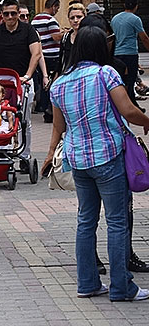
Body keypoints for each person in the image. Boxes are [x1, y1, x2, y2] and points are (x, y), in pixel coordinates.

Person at [43, 25, 149, 302]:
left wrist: (50, 152)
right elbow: (128, 110)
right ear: (102, 47)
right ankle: (121, 287)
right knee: (116, 222)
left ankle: (88, 283)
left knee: (85, 221)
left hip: (78, 160)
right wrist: (147, 121)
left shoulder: (60, 82)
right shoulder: (106, 73)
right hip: (108, 156)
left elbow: (58, 126)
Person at [0, 0, 42, 168]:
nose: (10, 17)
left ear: (18, 13)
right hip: (2, 83)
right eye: (6, 14)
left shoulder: (28, 30)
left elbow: (36, 53)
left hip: (23, 80)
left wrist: (28, 75)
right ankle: (4, 152)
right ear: (2, 15)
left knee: (24, 120)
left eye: (13, 13)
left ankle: (25, 155)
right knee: (1, 116)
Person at [111, 0, 149, 112]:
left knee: (120, 81)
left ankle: (122, 105)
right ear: (136, 6)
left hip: (117, 54)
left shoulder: (115, 19)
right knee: (130, 80)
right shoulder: (135, 19)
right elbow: (144, 38)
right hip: (130, 54)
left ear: (124, 5)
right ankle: (132, 106)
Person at [31, 0, 65, 123]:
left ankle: (41, 105)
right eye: (57, 8)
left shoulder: (35, 19)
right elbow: (56, 37)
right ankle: (47, 108)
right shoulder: (50, 20)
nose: (57, 11)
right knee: (50, 82)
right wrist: (65, 33)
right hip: (51, 56)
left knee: (42, 82)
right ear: (53, 6)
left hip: (39, 55)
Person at [56, 3, 86, 74]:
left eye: (79, 17)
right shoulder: (65, 37)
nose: (75, 20)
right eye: (72, 18)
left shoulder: (89, 36)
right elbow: (61, 61)